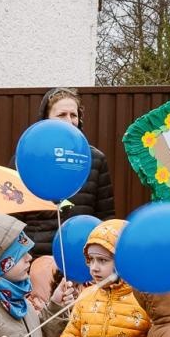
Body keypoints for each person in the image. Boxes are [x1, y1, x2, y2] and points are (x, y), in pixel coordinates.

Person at [20, 88, 117, 258]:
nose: (69, 120)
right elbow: (15, 216)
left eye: (73, 115)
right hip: (37, 258)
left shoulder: (94, 159)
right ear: (46, 119)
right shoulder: (27, 156)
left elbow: (105, 217)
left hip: (81, 256)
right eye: (61, 114)